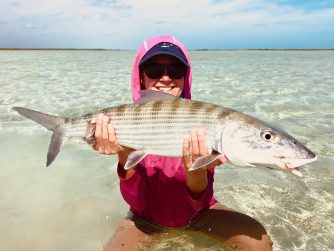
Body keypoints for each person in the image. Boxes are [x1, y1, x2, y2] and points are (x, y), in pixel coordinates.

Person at [92, 35, 273, 250]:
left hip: (199, 215)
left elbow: (199, 201)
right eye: (154, 69)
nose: (166, 78)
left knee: (258, 242)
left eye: (176, 69)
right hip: (144, 220)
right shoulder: (128, 124)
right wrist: (123, 154)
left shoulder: (202, 119)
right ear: (140, 76)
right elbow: (136, 201)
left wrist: (195, 168)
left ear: (185, 76)